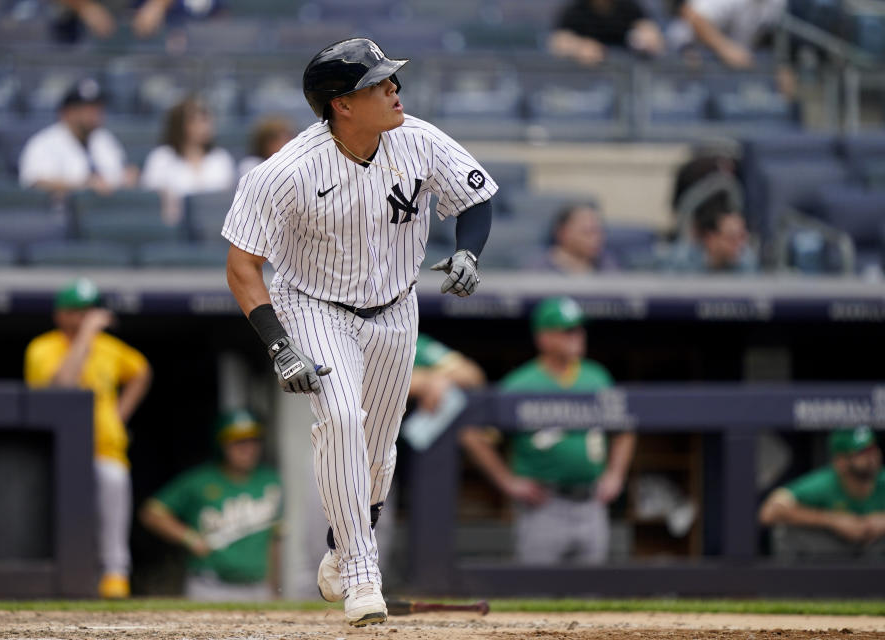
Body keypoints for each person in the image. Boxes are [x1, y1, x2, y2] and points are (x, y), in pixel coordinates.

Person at [222, 38, 497, 626]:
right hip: (315, 305)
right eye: (379, 83)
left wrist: (469, 252)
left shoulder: (417, 138)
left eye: (392, 80)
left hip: (397, 308)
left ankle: (341, 544)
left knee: (378, 452)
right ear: (341, 104)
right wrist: (279, 344)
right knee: (342, 419)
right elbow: (242, 266)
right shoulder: (287, 171)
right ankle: (360, 574)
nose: (395, 89)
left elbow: (476, 196)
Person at [460, 297, 636, 565]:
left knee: (592, 597)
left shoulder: (597, 377)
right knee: (536, 593)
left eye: (579, 329)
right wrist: (507, 481)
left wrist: (615, 475)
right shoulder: (521, 384)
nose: (577, 337)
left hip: (591, 502)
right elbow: (472, 435)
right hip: (544, 505)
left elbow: (624, 430)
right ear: (544, 338)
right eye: (567, 331)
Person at [24, 278, 152, 598]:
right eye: (76, 311)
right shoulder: (42, 347)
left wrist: (119, 416)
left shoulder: (109, 348)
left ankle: (115, 575)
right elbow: (64, 384)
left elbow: (141, 372)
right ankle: (63, 576)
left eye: (89, 310)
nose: (84, 317)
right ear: (60, 315)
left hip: (105, 448)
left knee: (113, 490)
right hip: (57, 449)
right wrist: (88, 334)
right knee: (62, 516)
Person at [139, 410, 283, 600]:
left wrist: (274, 587)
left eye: (253, 440)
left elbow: (274, 540)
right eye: (238, 442)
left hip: (257, 588)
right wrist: (189, 537)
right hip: (210, 586)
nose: (247, 448)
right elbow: (151, 512)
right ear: (222, 445)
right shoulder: (200, 479)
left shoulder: (270, 480)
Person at [759, 426, 885, 558]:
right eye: (862, 452)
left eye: (873, 449)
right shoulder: (825, 482)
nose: (872, 457)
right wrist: (832, 520)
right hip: (834, 553)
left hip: (877, 558)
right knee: (785, 531)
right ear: (840, 462)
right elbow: (769, 511)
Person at [18, 78, 138, 197]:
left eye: (97, 108)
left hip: (104, 213)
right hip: (59, 214)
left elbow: (122, 173)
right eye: (87, 109)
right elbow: (36, 182)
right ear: (67, 112)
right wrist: (85, 185)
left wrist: (128, 176)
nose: (95, 114)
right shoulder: (44, 143)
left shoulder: (104, 138)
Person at [141, 96, 237, 224]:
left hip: (216, 227)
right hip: (176, 228)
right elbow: (150, 200)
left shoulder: (221, 158)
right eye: (195, 121)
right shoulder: (161, 158)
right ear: (180, 125)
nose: (203, 126)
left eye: (206, 120)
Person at [670, 0, 784, 69]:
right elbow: (692, 15)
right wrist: (726, 48)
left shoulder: (777, 3)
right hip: (686, 48)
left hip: (736, 59)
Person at [664, 192, 758, 274]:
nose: (740, 245)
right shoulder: (680, 263)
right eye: (732, 238)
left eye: (742, 236)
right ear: (710, 238)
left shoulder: (746, 260)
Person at [549, 0, 665, 65]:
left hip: (625, 80)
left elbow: (652, 34)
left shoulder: (629, 7)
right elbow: (557, 41)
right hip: (584, 83)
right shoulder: (575, 10)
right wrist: (578, 46)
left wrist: (649, 38)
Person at [524, 203, 618, 273]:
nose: (596, 238)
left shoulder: (606, 264)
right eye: (587, 232)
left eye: (599, 232)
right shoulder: (539, 269)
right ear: (563, 233)